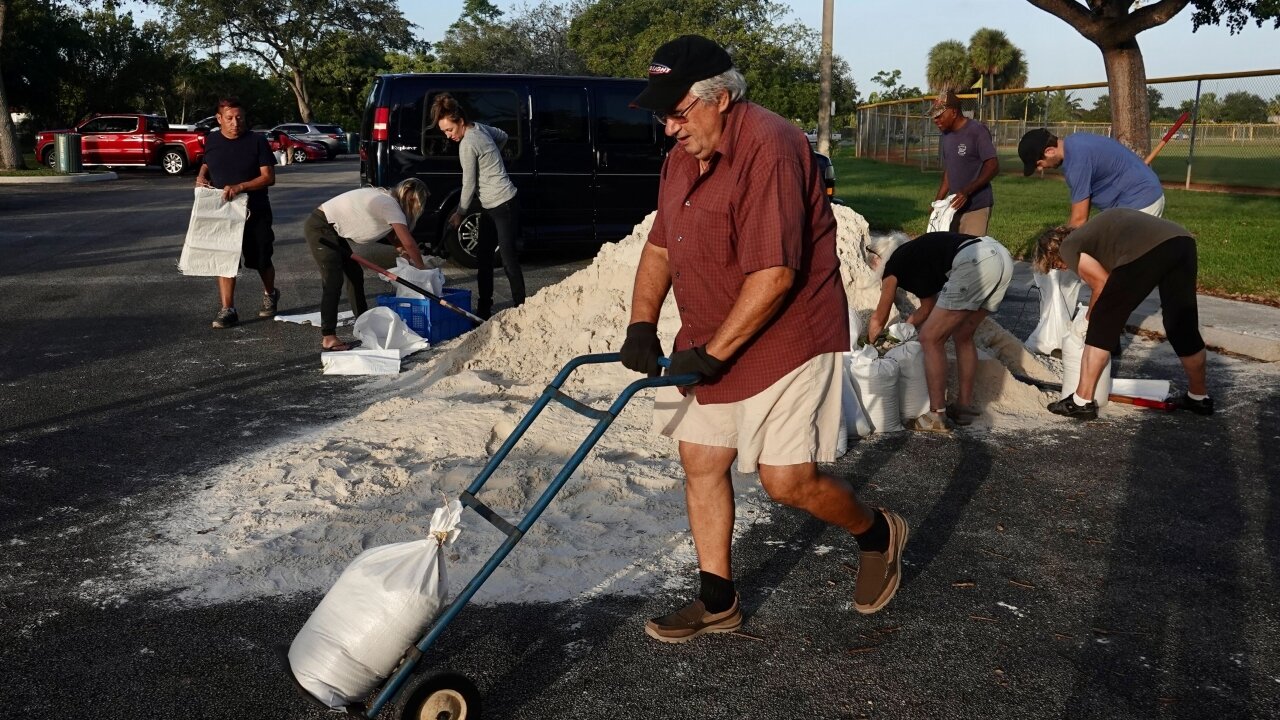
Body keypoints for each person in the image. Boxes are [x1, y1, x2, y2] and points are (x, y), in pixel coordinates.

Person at [620, 34, 909, 644]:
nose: (669, 128)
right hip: (712, 334)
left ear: (720, 98)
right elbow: (661, 245)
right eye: (662, 115)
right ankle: (717, 600)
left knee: (787, 481)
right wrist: (642, 323)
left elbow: (775, 275)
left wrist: (713, 355)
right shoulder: (682, 157)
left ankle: (877, 533)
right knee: (700, 459)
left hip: (789, 335)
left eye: (678, 112)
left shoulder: (772, 148)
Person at [1034, 209, 1213, 419]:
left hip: (1146, 249)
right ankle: (1198, 397)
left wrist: (1087, 320)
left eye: (1056, 265)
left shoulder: (1069, 246)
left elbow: (1101, 284)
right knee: (1181, 324)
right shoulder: (1094, 237)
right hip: (1182, 242)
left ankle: (1081, 401)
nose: (1064, 269)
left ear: (1052, 252)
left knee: (1102, 321)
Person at [864, 231, 1014, 431]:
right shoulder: (917, 257)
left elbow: (879, 317)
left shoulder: (893, 266)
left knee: (930, 338)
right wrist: (906, 327)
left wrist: (868, 346)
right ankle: (963, 407)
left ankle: (936, 414)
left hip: (975, 260)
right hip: (1001, 258)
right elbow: (927, 308)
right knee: (963, 334)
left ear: (879, 258)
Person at [304, 180, 430, 351]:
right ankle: (329, 337)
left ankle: (364, 323)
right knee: (333, 280)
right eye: (416, 204)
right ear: (410, 196)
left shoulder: (387, 200)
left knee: (354, 274)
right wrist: (421, 269)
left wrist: (403, 254)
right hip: (321, 226)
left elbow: (395, 237)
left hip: (330, 227)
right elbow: (408, 242)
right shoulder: (390, 204)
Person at [429, 94, 524, 319]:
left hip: (504, 203)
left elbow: (468, 183)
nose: (448, 135)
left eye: (449, 130)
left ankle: (522, 306)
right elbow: (503, 135)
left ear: (460, 121)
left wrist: (460, 213)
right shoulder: (479, 128)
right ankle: (483, 308)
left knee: (508, 258)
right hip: (490, 204)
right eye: (444, 131)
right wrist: (492, 159)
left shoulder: (468, 143)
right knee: (484, 257)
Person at [195, 97, 279, 329]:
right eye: (230, 118)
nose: (235, 123)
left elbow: (268, 177)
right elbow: (208, 162)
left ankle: (270, 293)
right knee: (225, 260)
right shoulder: (212, 139)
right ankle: (228, 309)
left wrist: (241, 187)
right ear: (219, 119)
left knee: (261, 259)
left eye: (239, 118)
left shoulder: (257, 141)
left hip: (255, 210)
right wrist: (202, 176)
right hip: (222, 210)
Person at [1018, 128, 1165, 227]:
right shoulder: (1076, 141)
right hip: (1135, 199)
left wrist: (1061, 251)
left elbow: (1079, 220)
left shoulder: (1076, 163)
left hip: (1140, 203)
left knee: (1119, 262)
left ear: (1049, 151)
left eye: (1039, 163)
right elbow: (1080, 210)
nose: (1040, 168)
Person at [930, 90, 999, 236]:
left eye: (939, 115)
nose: (935, 120)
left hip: (976, 207)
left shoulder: (977, 131)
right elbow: (950, 171)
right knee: (952, 253)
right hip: (953, 208)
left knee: (972, 253)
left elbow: (993, 166)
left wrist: (967, 191)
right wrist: (937, 202)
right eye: (934, 116)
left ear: (954, 112)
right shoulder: (946, 135)